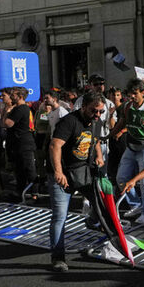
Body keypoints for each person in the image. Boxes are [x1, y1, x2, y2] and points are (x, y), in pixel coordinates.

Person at [48, 91, 105, 272]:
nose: (97, 115)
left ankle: (93, 222)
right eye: (93, 111)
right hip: (63, 174)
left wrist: (99, 156)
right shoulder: (69, 122)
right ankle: (58, 258)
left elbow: (95, 140)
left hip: (83, 172)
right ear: (83, 107)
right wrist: (58, 172)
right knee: (59, 217)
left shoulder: (96, 121)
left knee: (101, 204)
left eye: (100, 112)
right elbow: (54, 145)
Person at [111, 79, 144, 224]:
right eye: (130, 94)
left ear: (142, 93)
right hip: (130, 146)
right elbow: (122, 122)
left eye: (135, 94)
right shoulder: (128, 106)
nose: (132, 97)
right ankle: (136, 204)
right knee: (121, 179)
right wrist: (109, 135)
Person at [2, 87, 38, 197]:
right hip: (17, 144)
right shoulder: (20, 108)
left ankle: (34, 192)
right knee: (19, 169)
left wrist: (7, 112)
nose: (11, 96)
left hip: (24, 144)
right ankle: (21, 191)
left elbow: (8, 123)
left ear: (20, 97)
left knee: (28, 168)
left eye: (14, 94)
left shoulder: (21, 108)